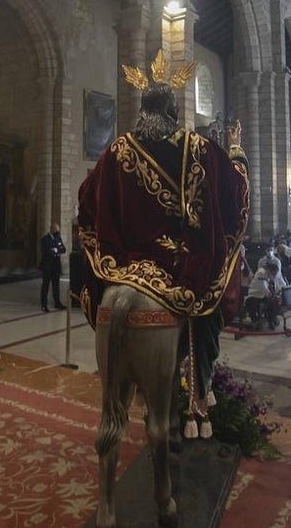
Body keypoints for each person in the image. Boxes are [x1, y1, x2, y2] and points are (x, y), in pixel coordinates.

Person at [77, 50, 249, 424]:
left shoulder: (117, 150)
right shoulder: (198, 148)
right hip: (181, 266)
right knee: (209, 309)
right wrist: (236, 151)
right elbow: (234, 192)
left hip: (125, 266)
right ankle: (199, 397)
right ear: (172, 112)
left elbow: (87, 199)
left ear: (143, 111)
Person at [40, 222, 67, 312]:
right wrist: (56, 250)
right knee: (46, 285)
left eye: (58, 230)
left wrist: (56, 250)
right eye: (56, 230)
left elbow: (63, 249)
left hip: (56, 266)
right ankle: (44, 304)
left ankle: (57, 302)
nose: (57, 232)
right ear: (52, 229)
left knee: (56, 285)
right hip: (47, 266)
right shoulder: (45, 239)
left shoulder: (58, 238)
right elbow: (47, 251)